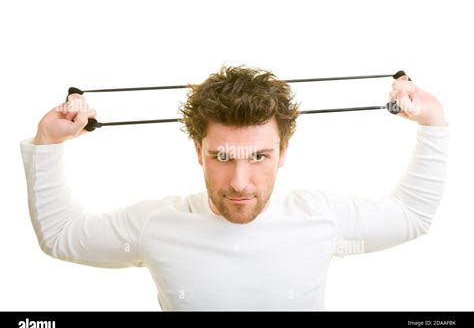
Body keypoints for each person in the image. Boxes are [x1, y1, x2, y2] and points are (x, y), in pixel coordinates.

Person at [20, 65, 448, 310]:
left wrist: (432, 122)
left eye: (258, 157)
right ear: (198, 150)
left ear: (282, 151)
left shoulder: (320, 215)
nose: (240, 183)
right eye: (222, 157)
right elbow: (61, 238)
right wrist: (48, 143)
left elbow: (411, 216)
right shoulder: (157, 224)